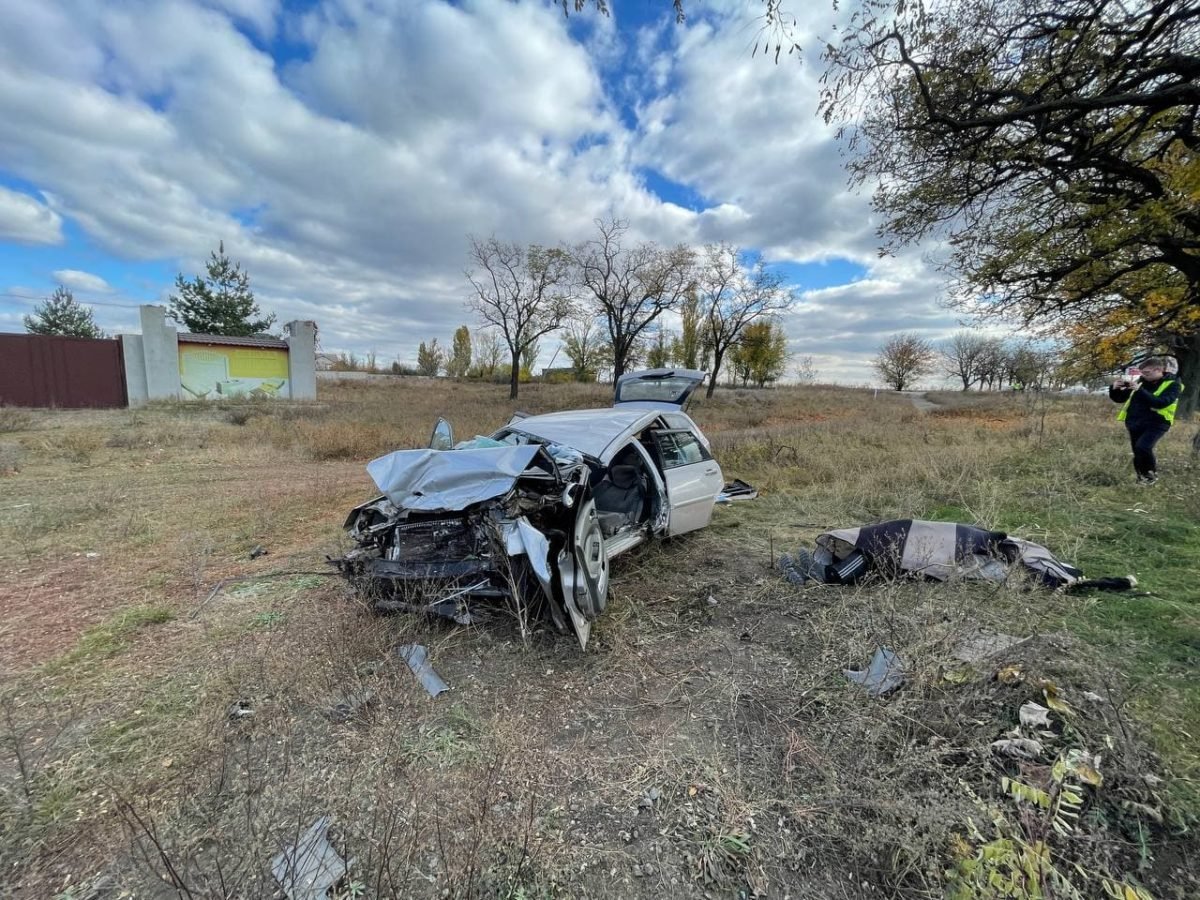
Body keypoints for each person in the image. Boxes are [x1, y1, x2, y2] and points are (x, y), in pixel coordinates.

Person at [1109, 357, 1182, 484]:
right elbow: (1120, 399)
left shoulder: (1174, 384)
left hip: (1158, 422)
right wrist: (1114, 388)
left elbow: (1161, 403)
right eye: (1142, 373)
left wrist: (1140, 390)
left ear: (1158, 370)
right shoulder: (1141, 381)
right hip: (1135, 421)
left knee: (1143, 447)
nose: (1144, 375)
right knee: (1137, 451)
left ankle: (1151, 476)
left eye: (1147, 373)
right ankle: (1141, 478)